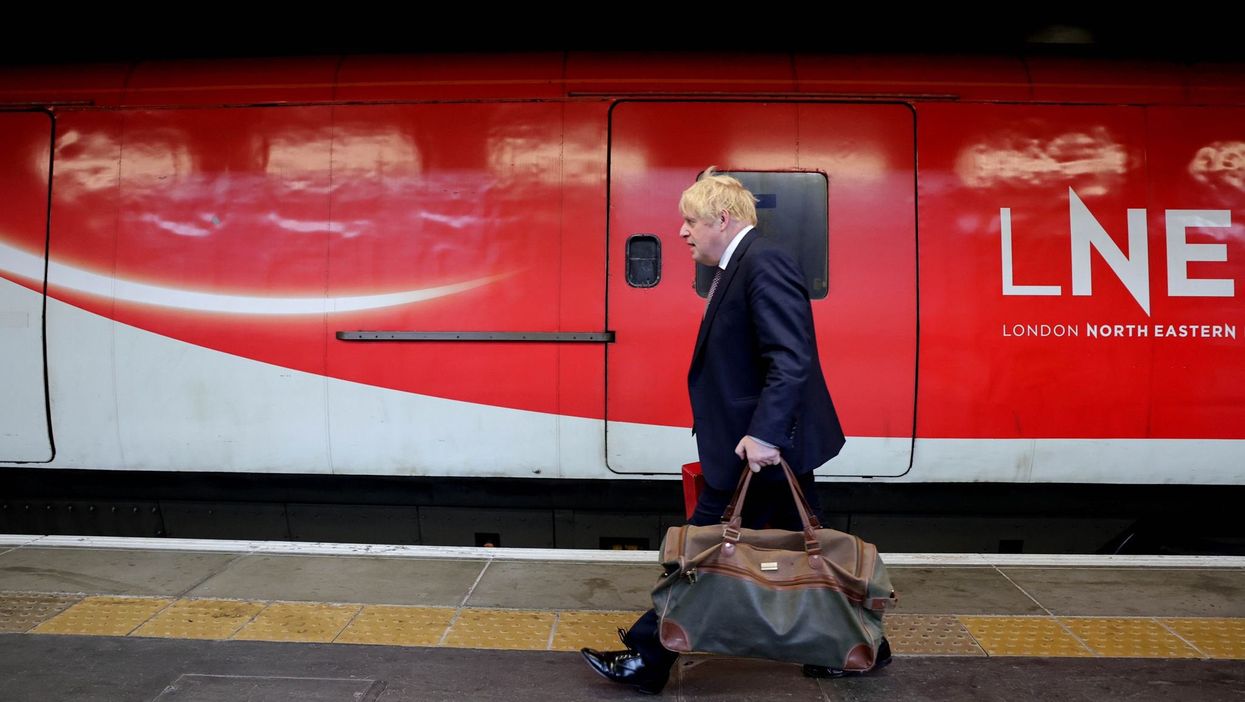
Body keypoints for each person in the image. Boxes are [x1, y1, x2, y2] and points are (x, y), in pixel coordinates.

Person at [581, 168, 886, 694]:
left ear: (722, 219)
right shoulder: (742, 264)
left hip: (762, 447)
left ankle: (649, 659)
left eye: (690, 220)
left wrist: (765, 434)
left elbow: (790, 358)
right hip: (760, 445)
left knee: (703, 547)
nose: (681, 232)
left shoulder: (763, 264)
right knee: (807, 546)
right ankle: (865, 648)